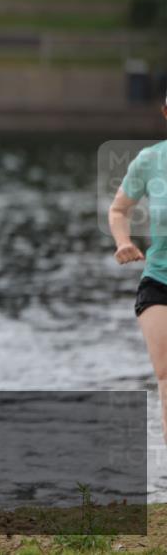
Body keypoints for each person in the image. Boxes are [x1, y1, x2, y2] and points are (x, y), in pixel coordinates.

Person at [109, 101, 167, 444]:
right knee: (166, 374)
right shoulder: (150, 160)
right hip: (159, 280)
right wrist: (122, 241)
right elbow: (118, 210)